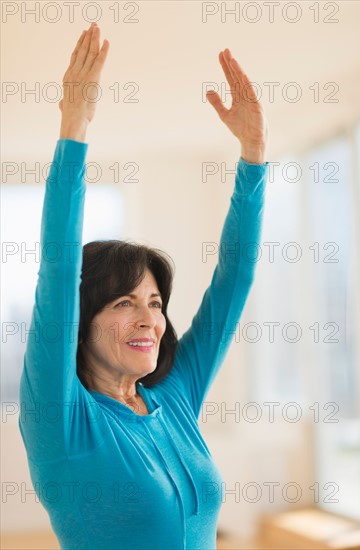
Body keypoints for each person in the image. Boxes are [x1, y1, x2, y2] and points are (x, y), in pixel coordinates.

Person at [18, 22, 269, 550]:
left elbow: (233, 281)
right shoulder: (63, 425)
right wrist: (74, 126)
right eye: (124, 302)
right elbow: (60, 272)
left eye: (154, 303)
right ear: (82, 321)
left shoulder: (173, 399)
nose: (149, 320)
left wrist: (253, 155)